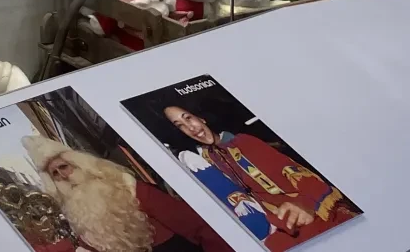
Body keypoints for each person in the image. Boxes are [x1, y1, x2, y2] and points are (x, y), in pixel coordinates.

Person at [160, 105, 356, 250]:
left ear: (201, 119)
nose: (191, 127)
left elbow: (301, 176)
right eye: (181, 125)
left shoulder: (245, 142)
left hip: (309, 218)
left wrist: (305, 203)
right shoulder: (202, 164)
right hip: (271, 233)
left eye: (189, 118)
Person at [24, 136, 233, 252]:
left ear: (78, 163)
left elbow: (193, 224)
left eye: (64, 167)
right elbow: (83, 245)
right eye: (55, 174)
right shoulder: (79, 212)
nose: (63, 175)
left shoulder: (128, 187)